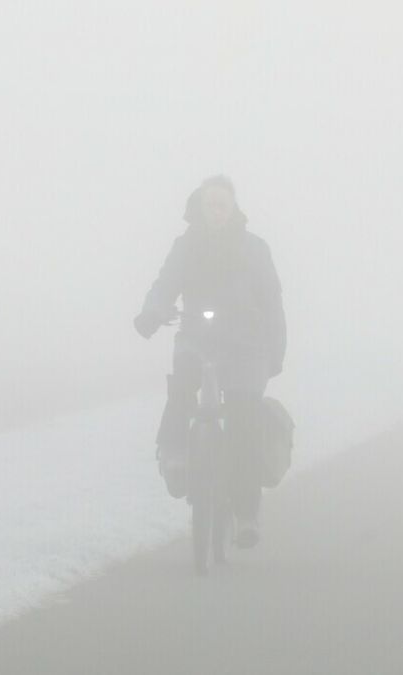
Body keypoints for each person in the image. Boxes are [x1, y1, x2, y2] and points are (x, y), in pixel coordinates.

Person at [133, 175, 287, 548]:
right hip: (197, 338)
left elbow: (273, 302)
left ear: (233, 208)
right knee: (182, 384)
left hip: (245, 345)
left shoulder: (255, 249)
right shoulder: (186, 246)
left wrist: (276, 350)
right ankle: (173, 452)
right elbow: (165, 283)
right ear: (199, 208)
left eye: (222, 204)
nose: (215, 211)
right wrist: (152, 312)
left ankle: (247, 513)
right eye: (209, 204)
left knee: (244, 419)